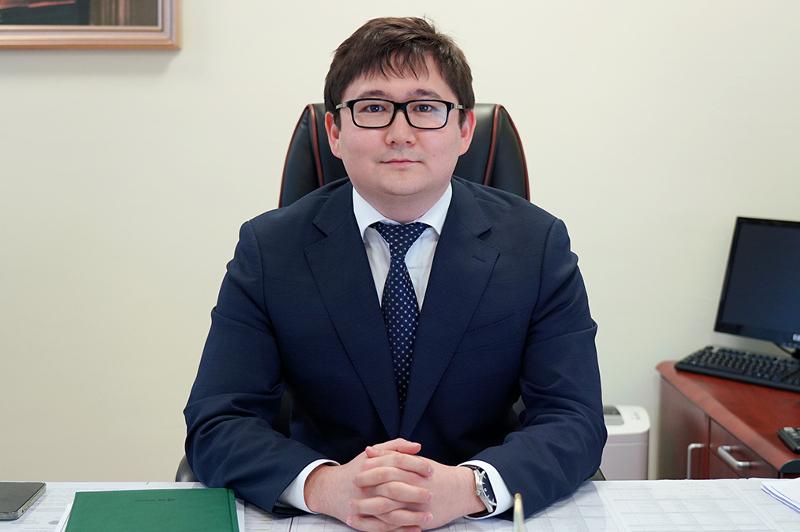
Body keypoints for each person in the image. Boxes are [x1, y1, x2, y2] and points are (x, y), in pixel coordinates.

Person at [184, 16, 606, 531]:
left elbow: (573, 418)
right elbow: (218, 420)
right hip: (327, 518)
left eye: (425, 108)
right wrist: (325, 486)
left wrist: (469, 487)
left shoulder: (536, 245)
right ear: (335, 132)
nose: (400, 134)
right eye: (373, 108)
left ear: (464, 130)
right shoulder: (269, 249)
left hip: (477, 517)